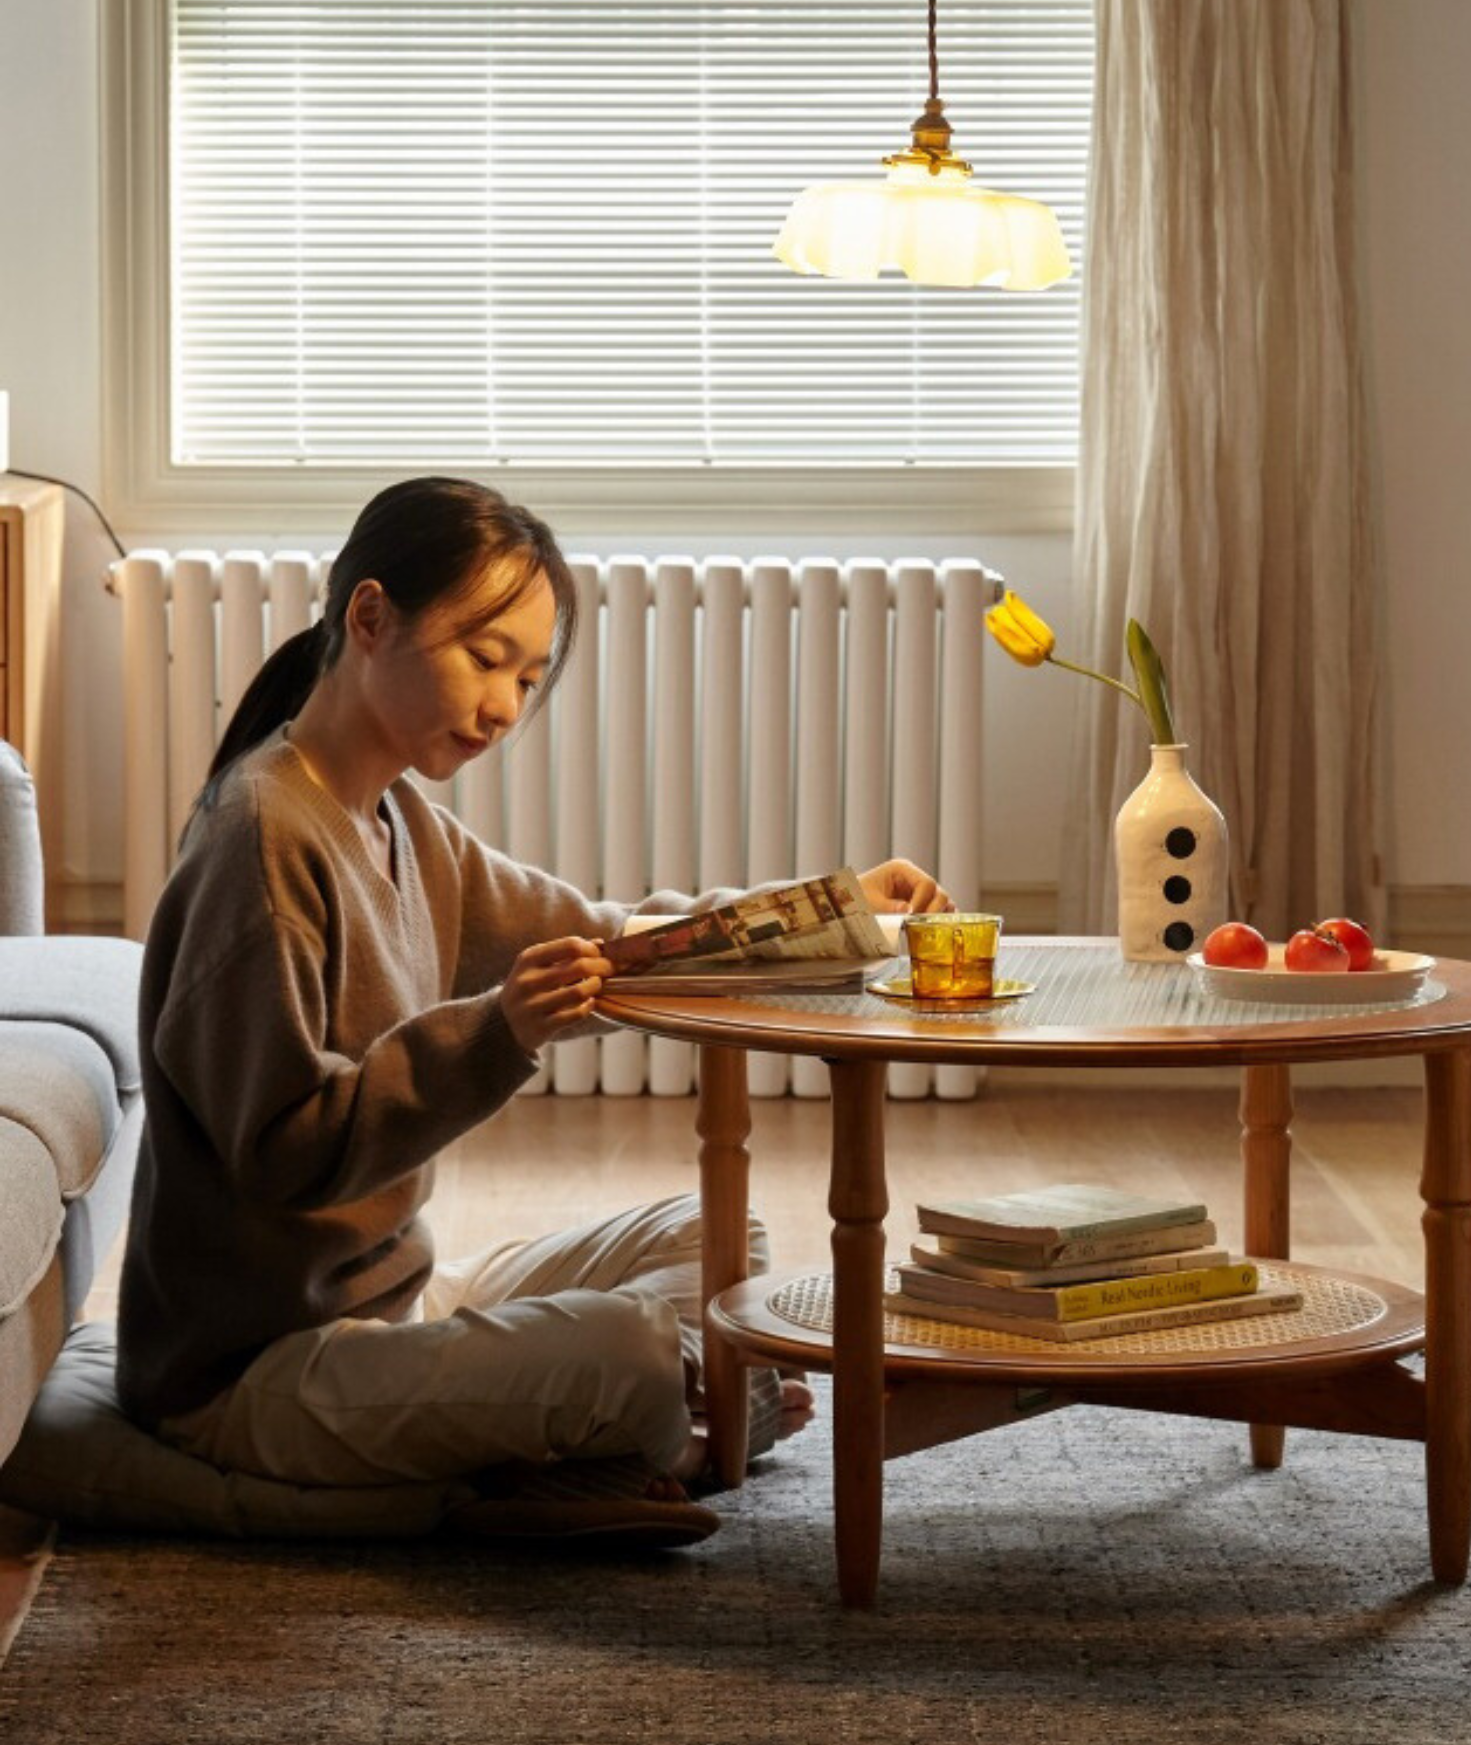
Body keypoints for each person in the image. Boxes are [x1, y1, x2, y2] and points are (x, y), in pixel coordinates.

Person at [115, 475, 952, 1549]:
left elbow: (605, 941)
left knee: (723, 1234)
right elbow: (282, 1157)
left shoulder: (399, 821)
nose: (506, 706)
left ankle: (620, 1434)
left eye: (529, 674)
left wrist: (826, 914)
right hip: (253, 1372)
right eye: (484, 657)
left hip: (388, 1305)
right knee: (639, 1352)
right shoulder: (260, 841)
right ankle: (648, 1428)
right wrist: (495, 1034)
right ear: (369, 618)